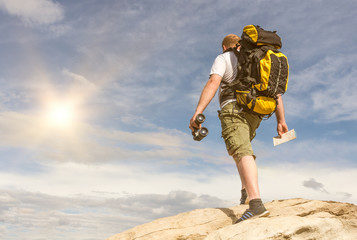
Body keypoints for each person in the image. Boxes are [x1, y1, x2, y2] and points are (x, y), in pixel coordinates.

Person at [189, 34, 289, 223]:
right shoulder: (257, 59)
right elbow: (276, 92)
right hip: (256, 111)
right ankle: (245, 191)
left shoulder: (224, 58)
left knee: (241, 150)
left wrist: (198, 112)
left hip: (234, 108)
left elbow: (213, 82)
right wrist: (281, 120)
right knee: (242, 149)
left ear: (224, 46)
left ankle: (256, 203)